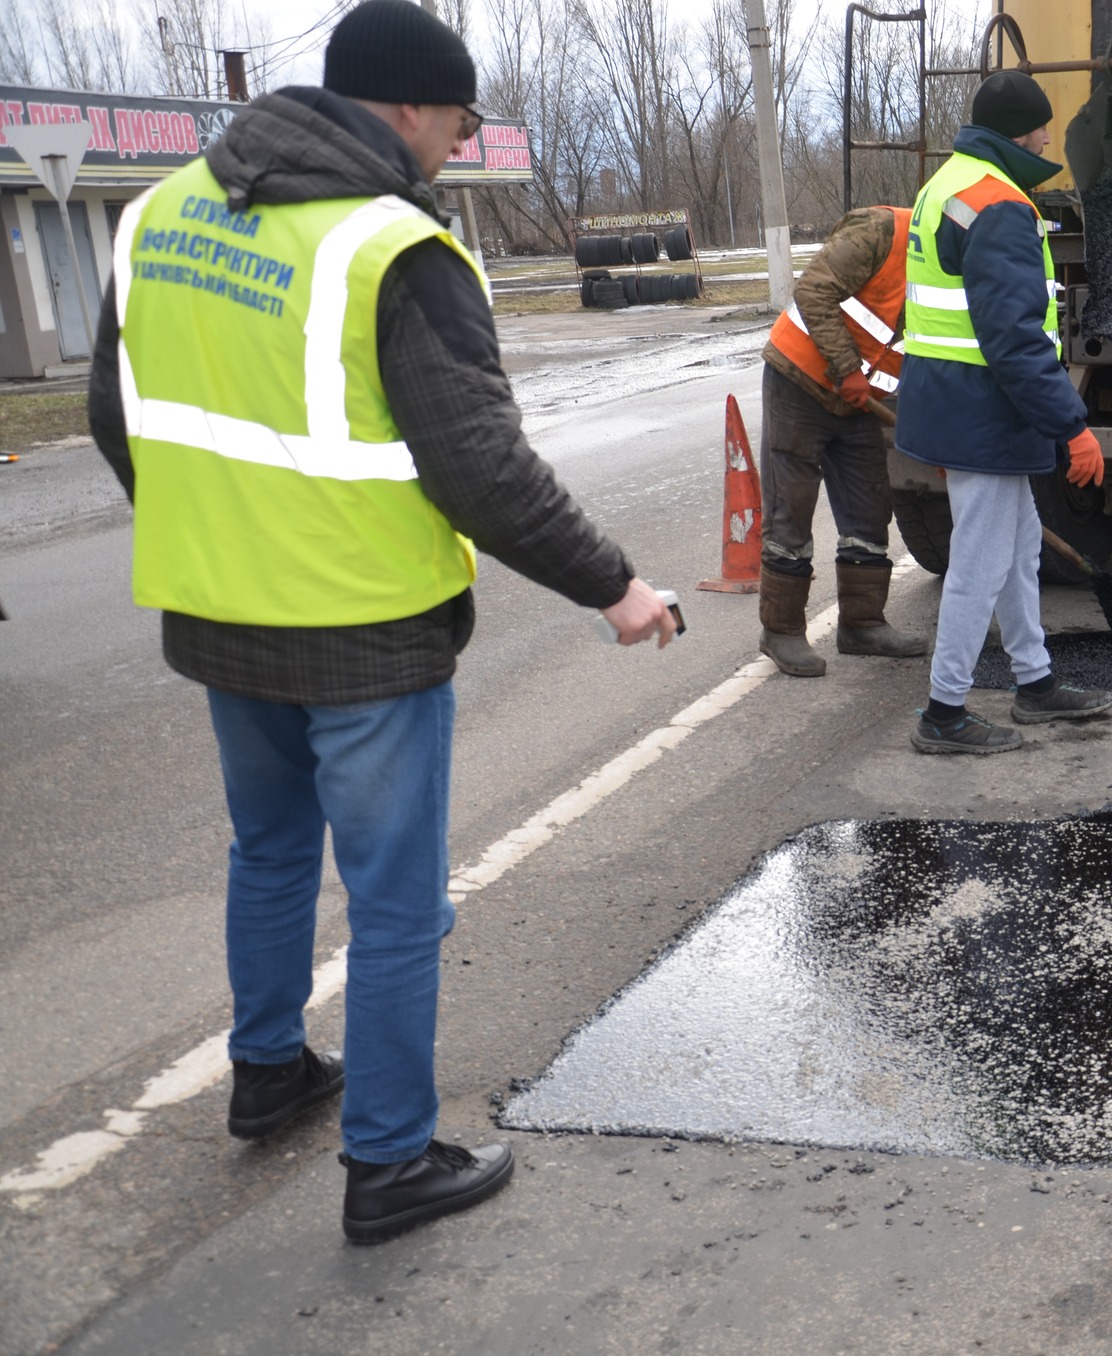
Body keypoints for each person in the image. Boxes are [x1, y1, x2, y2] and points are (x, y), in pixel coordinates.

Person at [87, 0, 676, 1243]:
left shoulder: (158, 216)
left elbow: (115, 417)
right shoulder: (390, 246)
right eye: (458, 120)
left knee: (269, 852)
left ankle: (267, 1073)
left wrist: (220, 533)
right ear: (410, 102)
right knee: (397, 904)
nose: (460, 143)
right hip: (364, 631)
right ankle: (391, 1161)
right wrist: (614, 588)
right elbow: (481, 470)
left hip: (218, 612)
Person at [895, 71, 1112, 754]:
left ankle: (1035, 682)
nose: (1048, 138)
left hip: (957, 402)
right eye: (1042, 126)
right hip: (983, 409)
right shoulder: (1000, 205)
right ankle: (944, 713)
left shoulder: (947, 184)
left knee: (1019, 552)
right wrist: (1072, 426)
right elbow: (1014, 338)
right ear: (1020, 131)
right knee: (981, 564)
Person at [756, 204, 927, 676]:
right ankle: (781, 630)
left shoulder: (948, 269)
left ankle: (863, 624)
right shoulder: (881, 230)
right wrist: (848, 369)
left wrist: (938, 438)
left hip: (858, 401)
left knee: (869, 508)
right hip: (800, 379)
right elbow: (814, 292)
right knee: (790, 508)